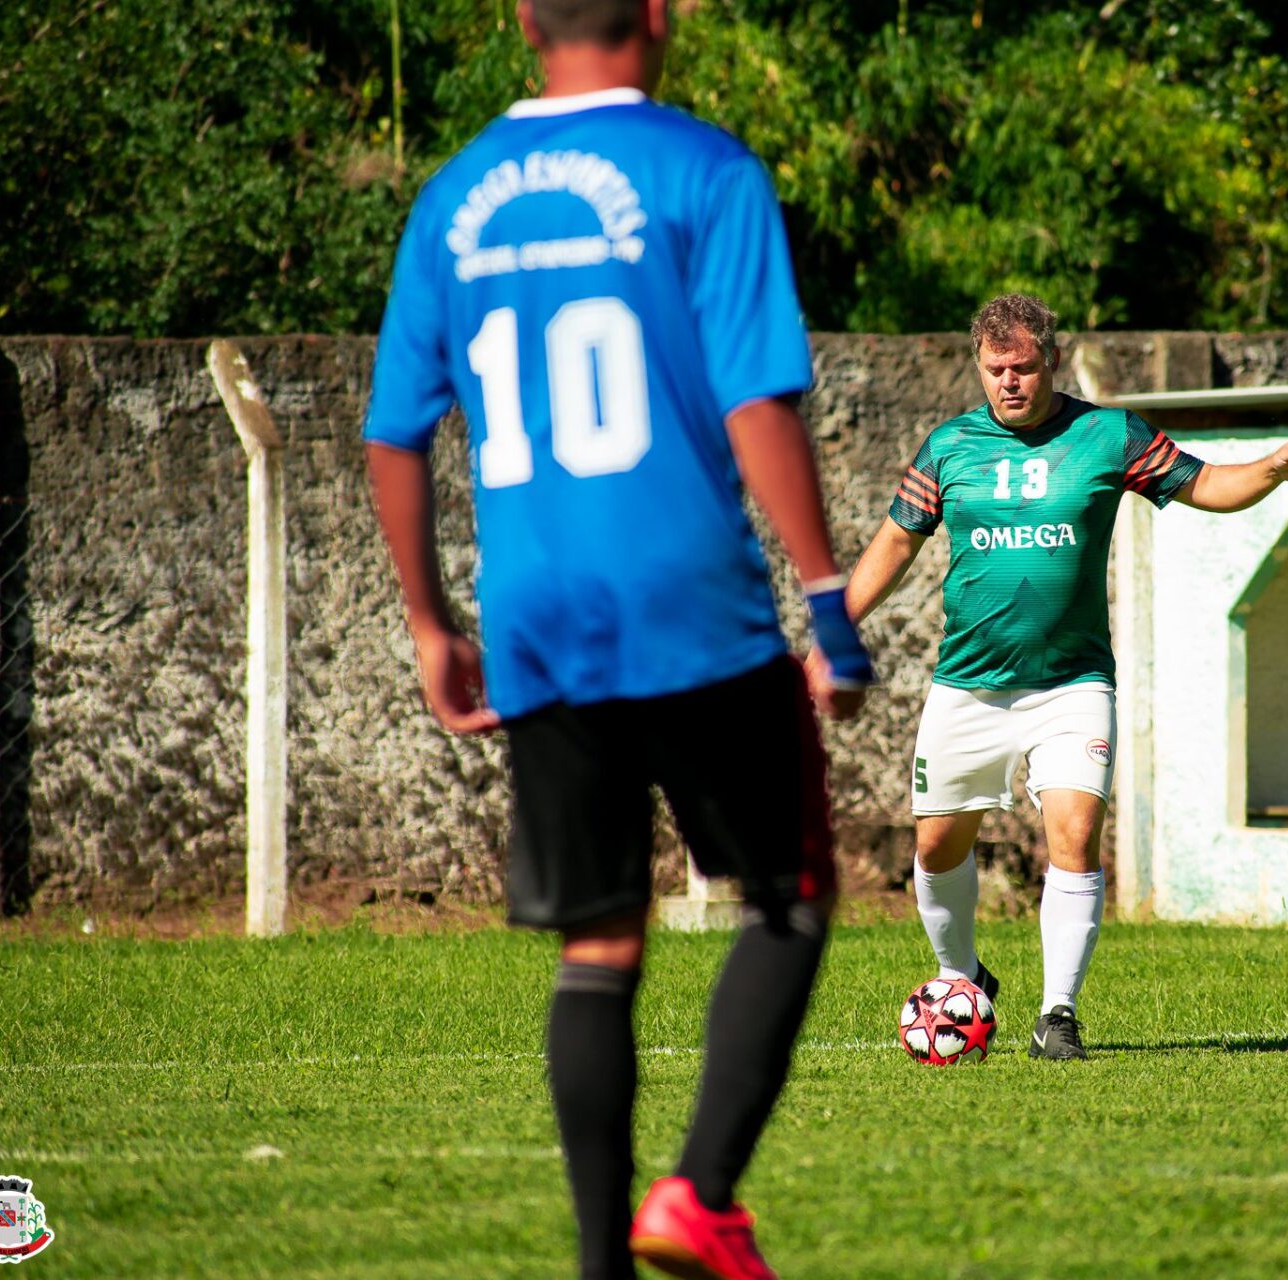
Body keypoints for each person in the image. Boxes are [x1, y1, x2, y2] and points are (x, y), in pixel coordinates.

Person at [362, 2, 875, 1276]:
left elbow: (394, 435)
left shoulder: (454, 195)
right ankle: (697, 1193)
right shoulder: (705, 171)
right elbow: (755, 397)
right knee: (790, 895)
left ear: (524, 22)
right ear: (654, 15)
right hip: (688, 602)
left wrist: (432, 619)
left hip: (540, 615)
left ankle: (599, 1266)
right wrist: (823, 595)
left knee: (599, 943)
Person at [838, 293, 1288, 1059]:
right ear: (979, 366)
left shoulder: (1107, 434)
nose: (1010, 382)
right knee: (935, 848)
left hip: (1071, 686)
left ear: (1051, 361)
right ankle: (962, 980)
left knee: (1074, 835)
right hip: (967, 685)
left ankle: (1058, 1015)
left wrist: (1272, 466)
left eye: (1025, 367)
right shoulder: (948, 447)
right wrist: (831, 633)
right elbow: (895, 547)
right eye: (996, 369)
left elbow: (1205, 485)